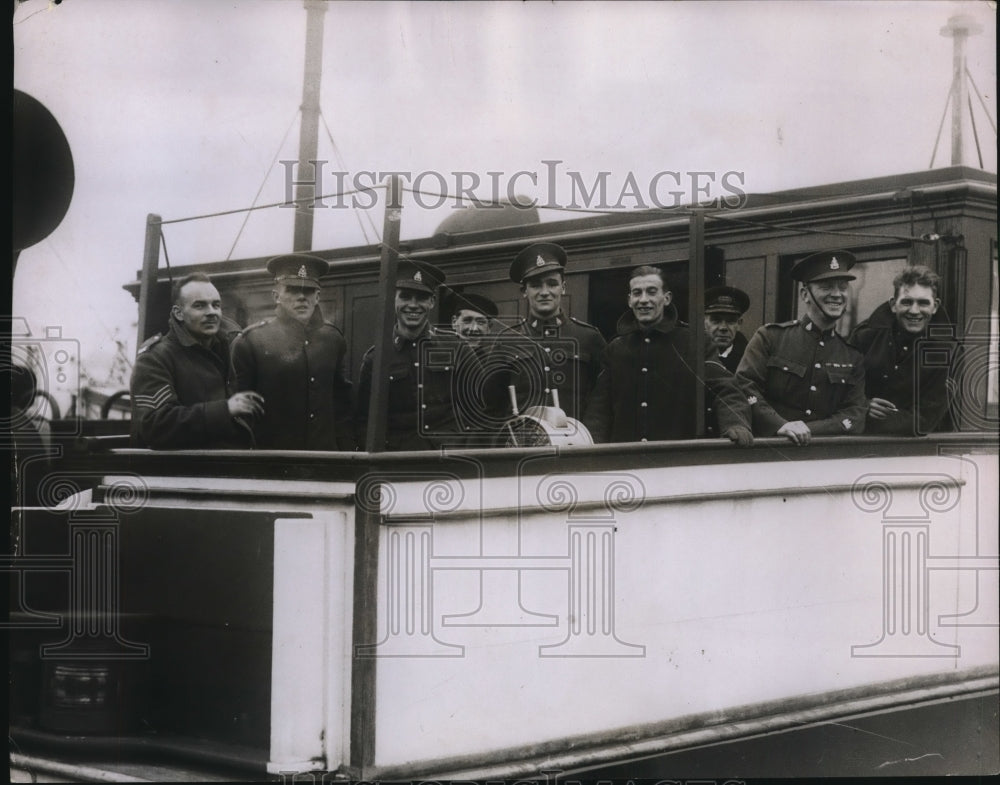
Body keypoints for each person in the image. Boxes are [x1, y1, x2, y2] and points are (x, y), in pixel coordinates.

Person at [583, 266, 753, 445]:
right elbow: (599, 409)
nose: (643, 300)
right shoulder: (615, 349)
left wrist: (736, 424)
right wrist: (590, 448)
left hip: (676, 459)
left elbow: (726, 390)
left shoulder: (694, 343)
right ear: (629, 300)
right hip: (627, 460)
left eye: (651, 292)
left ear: (666, 298)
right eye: (637, 293)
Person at [736, 250, 867, 446]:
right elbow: (744, 388)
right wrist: (779, 425)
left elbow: (854, 415)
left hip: (823, 458)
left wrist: (808, 431)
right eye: (826, 287)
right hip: (769, 452)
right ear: (805, 295)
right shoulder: (770, 338)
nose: (837, 294)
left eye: (843, 287)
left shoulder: (852, 356)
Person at [231, 254, 354, 450]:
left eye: (309, 290)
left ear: (318, 297)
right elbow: (241, 413)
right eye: (293, 290)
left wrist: (347, 454)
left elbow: (341, 404)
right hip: (274, 461)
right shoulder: (251, 341)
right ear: (276, 296)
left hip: (325, 459)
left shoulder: (333, 339)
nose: (302, 297)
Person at [130, 273, 261, 449]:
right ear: (178, 313)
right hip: (191, 469)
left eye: (216, 305)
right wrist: (225, 409)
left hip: (238, 464)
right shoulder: (155, 358)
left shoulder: (231, 347)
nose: (212, 312)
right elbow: (155, 426)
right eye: (200, 306)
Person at [356, 260, 476, 451]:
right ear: (392, 299)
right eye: (405, 297)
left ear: (432, 301)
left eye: (421, 297)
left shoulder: (457, 348)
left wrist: (463, 450)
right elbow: (364, 421)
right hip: (399, 463)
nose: (413, 305)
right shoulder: (376, 359)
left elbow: (478, 408)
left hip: (451, 459)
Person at [495, 242, 606, 420]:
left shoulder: (588, 338)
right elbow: (494, 405)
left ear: (563, 287)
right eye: (536, 285)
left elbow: (602, 401)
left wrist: (589, 441)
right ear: (524, 291)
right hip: (523, 445)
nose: (544, 292)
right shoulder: (506, 341)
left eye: (552, 284)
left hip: (575, 444)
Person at [849, 266, 957, 435]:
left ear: (935, 307)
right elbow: (839, 393)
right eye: (907, 302)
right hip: (856, 445)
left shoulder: (948, 353)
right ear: (893, 305)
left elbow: (923, 421)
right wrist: (864, 405)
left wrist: (859, 419)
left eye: (923, 303)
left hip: (916, 453)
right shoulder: (864, 337)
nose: (914, 311)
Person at [704, 285, 751, 372]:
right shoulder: (692, 357)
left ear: (739, 324)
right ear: (703, 322)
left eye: (731, 321)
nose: (723, 328)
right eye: (716, 320)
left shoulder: (750, 361)